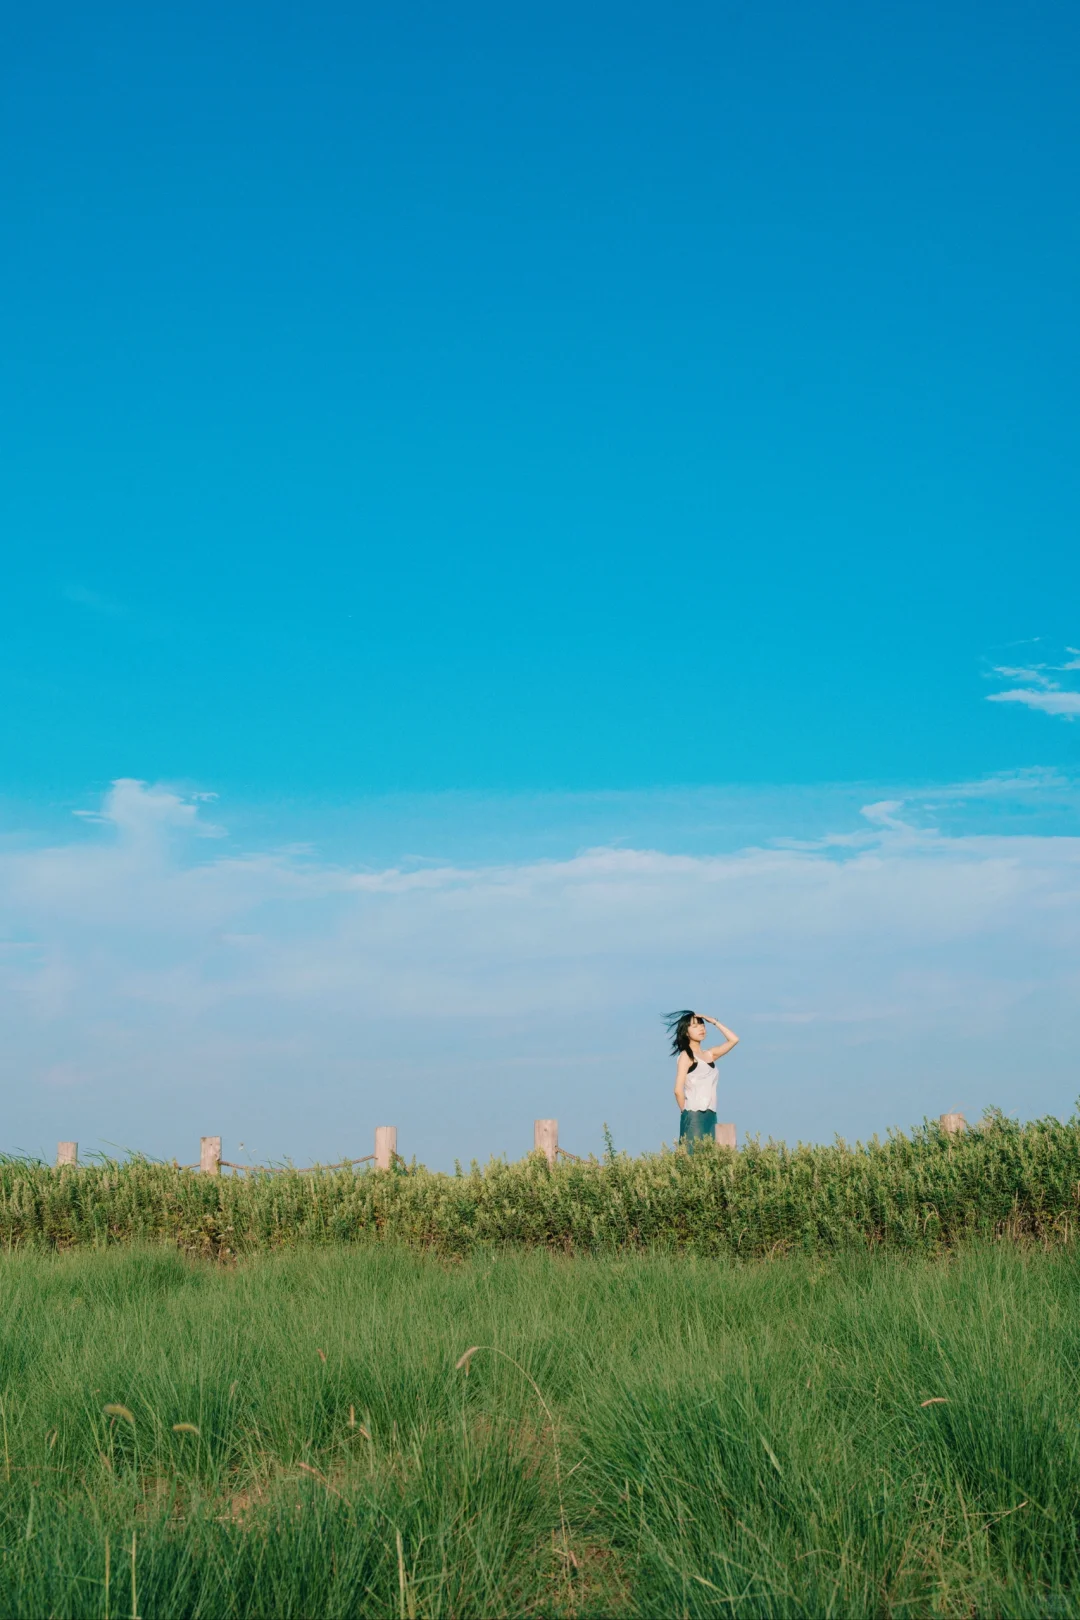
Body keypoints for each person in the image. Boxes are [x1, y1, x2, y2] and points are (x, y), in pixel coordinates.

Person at [664, 1010, 739, 1149]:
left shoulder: (709, 1054)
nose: (701, 1028)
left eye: (702, 1025)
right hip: (693, 1114)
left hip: (711, 1114)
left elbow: (734, 1040)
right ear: (686, 1032)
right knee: (692, 1158)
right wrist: (686, 1113)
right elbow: (677, 1090)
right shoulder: (686, 1056)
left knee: (709, 1160)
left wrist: (714, 1021)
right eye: (695, 1026)